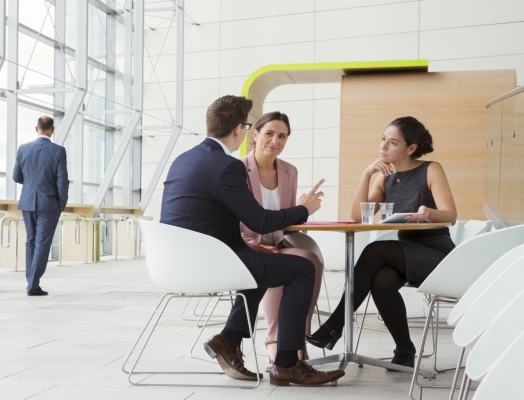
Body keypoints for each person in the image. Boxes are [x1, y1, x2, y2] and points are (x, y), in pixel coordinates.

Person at [160, 95, 343, 386]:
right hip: (208, 263)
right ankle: (287, 363)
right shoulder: (227, 166)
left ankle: (229, 340)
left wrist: (249, 245)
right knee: (302, 269)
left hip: (177, 261)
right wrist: (303, 209)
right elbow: (260, 220)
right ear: (241, 129)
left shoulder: (184, 159)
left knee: (260, 262)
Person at [307, 116, 457, 369]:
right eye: (383, 139)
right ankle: (405, 350)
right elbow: (357, 216)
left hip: (436, 253)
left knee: (375, 250)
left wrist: (429, 213)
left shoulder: (431, 169)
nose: (384, 146)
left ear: (410, 149)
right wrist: (367, 174)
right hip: (408, 252)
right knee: (382, 281)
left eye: (393, 142)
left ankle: (334, 326)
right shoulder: (385, 178)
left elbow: (451, 215)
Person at [239, 112, 325, 361]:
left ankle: (296, 338)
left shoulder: (289, 171)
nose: (275, 140)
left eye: (282, 136)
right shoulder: (239, 170)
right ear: (255, 135)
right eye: (269, 134)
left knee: (310, 259)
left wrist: (302, 208)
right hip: (247, 243)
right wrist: (256, 244)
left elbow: (287, 220)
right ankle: (275, 339)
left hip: (277, 240)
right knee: (283, 265)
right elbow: (232, 218)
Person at [13, 116, 69, 296]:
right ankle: (33, 283)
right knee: (42, 243)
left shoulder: (23, 149)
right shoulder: (58, 151)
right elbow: (62, 181)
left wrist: (31, 185)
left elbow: (16, 176)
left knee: (31, 241)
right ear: (52, 130)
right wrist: (61, 203)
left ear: (36, 128)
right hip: (49, 203)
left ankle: (31, 280)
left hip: (28, 202)